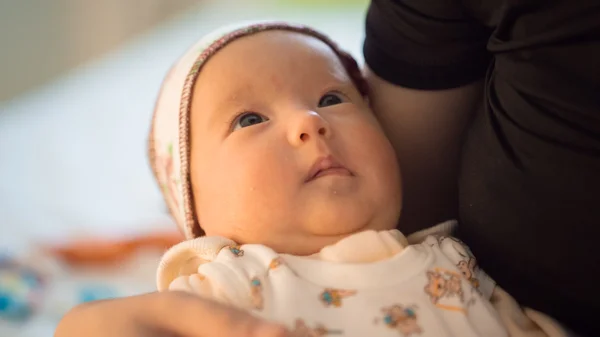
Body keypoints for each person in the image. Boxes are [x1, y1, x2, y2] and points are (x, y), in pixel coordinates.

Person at [55, 0, 599, 336]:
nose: (309, 122)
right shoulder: (223, 290)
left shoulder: (460, 260)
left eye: (333, 99)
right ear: (194, 212)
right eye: (248, 119)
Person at [362, 1, 599, 336]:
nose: (309, 124)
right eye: (256, 119)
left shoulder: (445, 256)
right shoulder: (261, 281)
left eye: (330, 100)